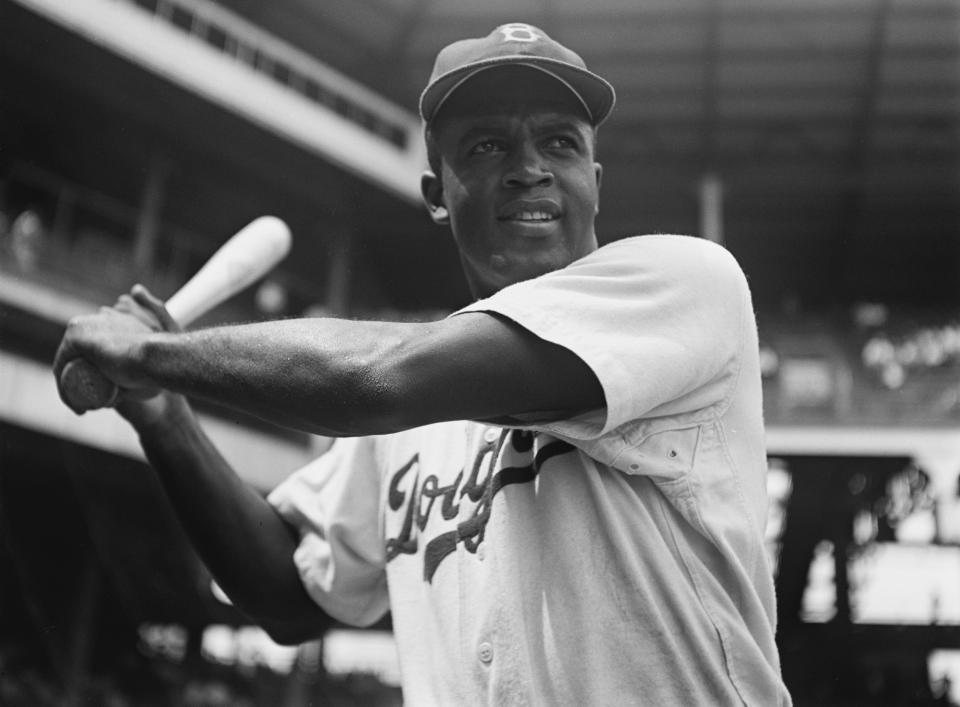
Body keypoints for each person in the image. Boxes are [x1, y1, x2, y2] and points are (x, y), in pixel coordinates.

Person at [54, 23, 791, 706]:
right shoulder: (412, 415)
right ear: (438, 197)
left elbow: (378, 380)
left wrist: (153, 353)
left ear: (596, 179)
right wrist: (162, 414)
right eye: (487, 147)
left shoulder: (687, 285)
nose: (529, 169)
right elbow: (283, 591)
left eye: (560, 144)